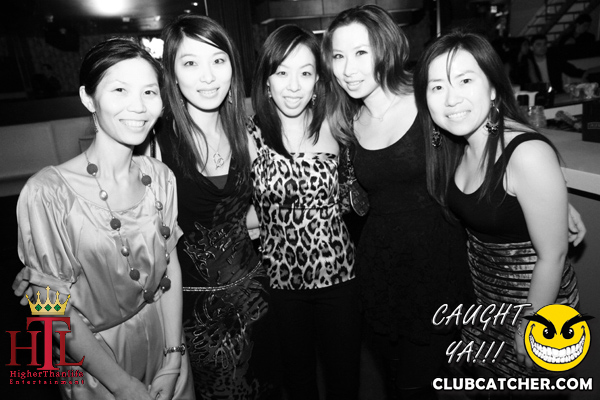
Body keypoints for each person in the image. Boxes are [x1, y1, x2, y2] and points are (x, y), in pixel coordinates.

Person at [14, 38, 194, 399]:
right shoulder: (47, 192)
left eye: (149, 92)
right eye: (120, 90)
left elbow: (170, 267)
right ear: (88, 98)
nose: (138, 106)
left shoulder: (160, 177)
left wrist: (174, 356)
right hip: (97, 365)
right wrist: (121, 385)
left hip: (167, 344)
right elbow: (49, 309)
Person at [322, 5, 473, 399]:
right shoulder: (346, 123)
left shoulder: (427, 100)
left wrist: (542, 189)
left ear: (386, 49)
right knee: (394, 381)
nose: (348, 69)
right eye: (338, 56)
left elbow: (487, 137)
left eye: (361, 52)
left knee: (415, 386)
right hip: (381, 273)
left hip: (438, 268)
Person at [413, 30, 581, 380]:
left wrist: (532, 323)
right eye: (437, 86)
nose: (451, 98)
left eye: (465, 80)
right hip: (487, 300)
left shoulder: (526, 153)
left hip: (536, 302)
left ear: (492, 88)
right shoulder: (457, 144)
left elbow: (553, 255)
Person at [158, 14, 271, 399]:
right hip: (198, 313)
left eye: (218, 60)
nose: (208, 76)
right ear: (173, 75)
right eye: (191, 63)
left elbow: (251, 211)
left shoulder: (245, 130)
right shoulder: (157, 143)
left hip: (257, 297)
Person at [249, 24, 360, 400]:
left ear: (317, 82)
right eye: (282, 72)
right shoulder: (249, 136)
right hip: (280, 284)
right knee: (297, 384)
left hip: (339, 277)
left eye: (305, 73)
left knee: (345, 381)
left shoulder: (337, 124)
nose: (294, 86)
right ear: (267, 81)